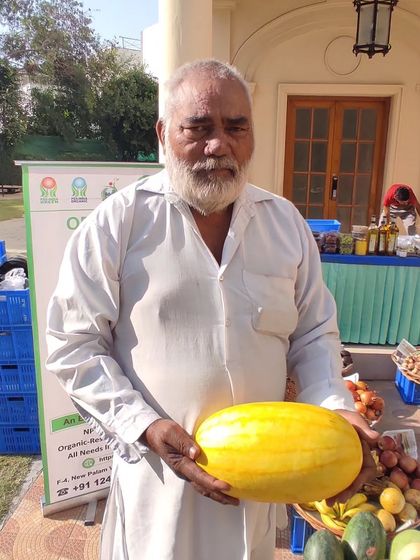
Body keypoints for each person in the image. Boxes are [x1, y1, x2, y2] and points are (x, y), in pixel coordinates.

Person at [46, 59, 378, 560]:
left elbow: (313, 336)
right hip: (156, 486)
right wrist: (143, 425)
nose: (219, 144)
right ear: (164, 133)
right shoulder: (119, 224)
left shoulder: (284, 223)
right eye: (198, 128)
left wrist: (336, 410)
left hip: (262, 484)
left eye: (235, 127)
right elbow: (73, 344)